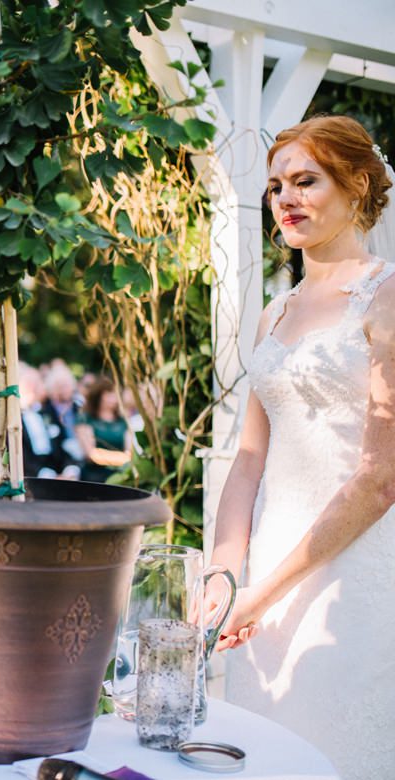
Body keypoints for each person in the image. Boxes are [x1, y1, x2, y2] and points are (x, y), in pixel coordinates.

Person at [208, 114, 395, 778]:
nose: (285, 198)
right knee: (262, 751)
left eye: (305, 180)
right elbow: (250, 458)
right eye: (276, 186)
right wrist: (228, 574)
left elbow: (379, 479)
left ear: (358, 184)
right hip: (263, 576)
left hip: (348, 574)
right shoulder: (275, 312)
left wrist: (266, 592)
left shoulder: (387, 296)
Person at [74, 377, 131, 483]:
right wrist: (123, 459)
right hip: (93, 476)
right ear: (98, 395)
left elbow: (129, 451)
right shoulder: (85, 419)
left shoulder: (122, 421)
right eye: (109, 394)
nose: (113, 399)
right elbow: (90, 454)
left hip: (119, 477)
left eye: (115, 394)